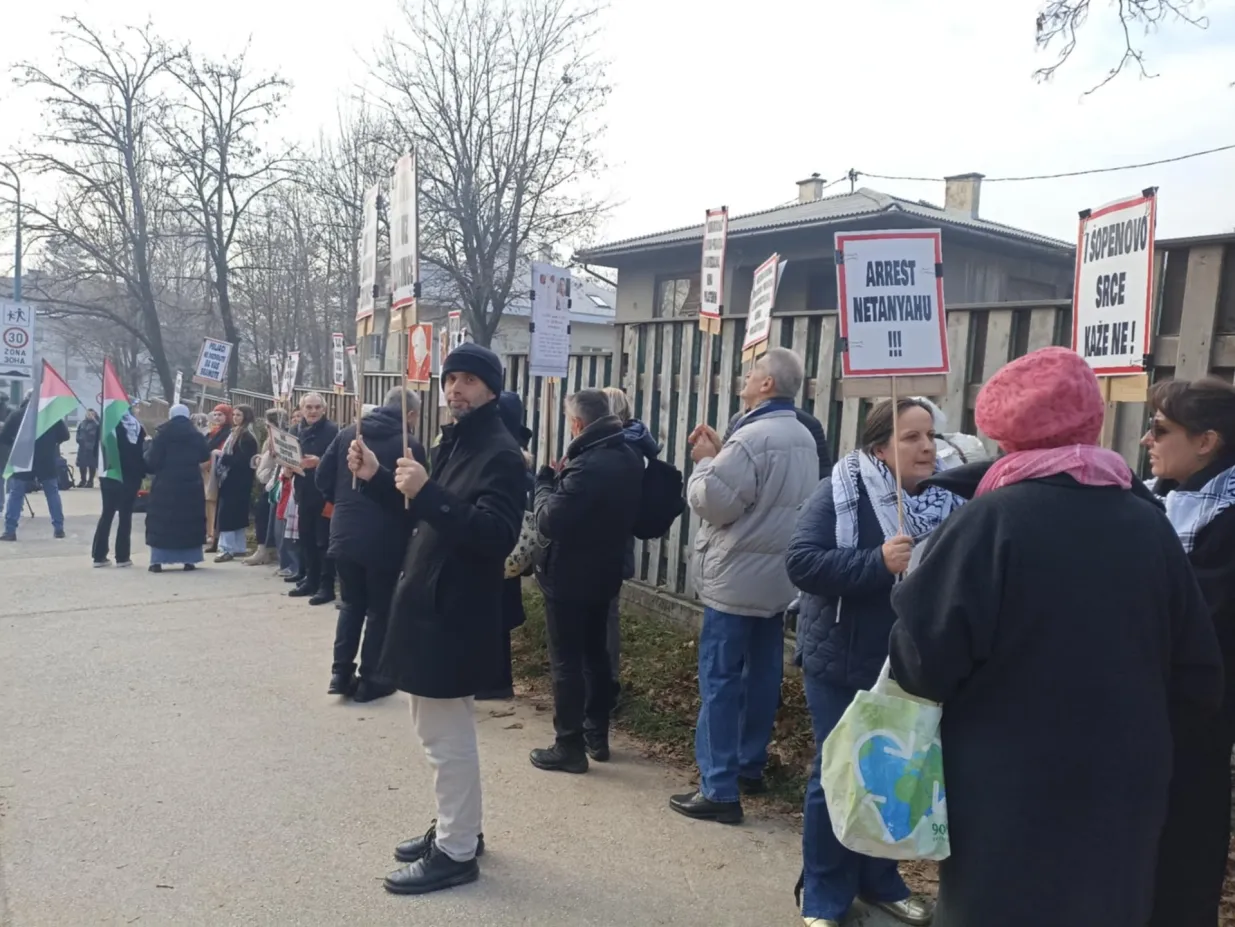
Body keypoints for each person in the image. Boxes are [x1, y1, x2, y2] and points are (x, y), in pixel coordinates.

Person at [887, 347, 1223, 927]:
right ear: (1091, 424)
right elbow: (1198, 673)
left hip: (1008, 790)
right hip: (1123, 792)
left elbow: (922, 663)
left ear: (1008, 434)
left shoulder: (988, 522)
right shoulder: (1150, 524)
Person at [348, 342, 526, 896]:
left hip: (453, 614)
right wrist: (379, 477)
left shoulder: (499, 452)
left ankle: (455, 851)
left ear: (492, 389)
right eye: (451, 379)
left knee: (446, 741)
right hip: (431, 608)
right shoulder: (458, 442)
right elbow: (420, 515)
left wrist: (428, 491)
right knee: (440, 734)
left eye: (470, 380)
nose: (456, 389)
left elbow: (495, 536)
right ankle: (459, 831)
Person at [786, 396, 961, 927]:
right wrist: (876, 562)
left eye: (930, 435)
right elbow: (802, 561)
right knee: (837, 774)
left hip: (912, 663)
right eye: (911, 438)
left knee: (893, 777)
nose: (927, 447)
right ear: (880, 448)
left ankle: (881, 880)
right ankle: (823, 895)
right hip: (843, 657)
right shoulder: (842, 489)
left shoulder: (947, 497)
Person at [668, 347, 818, 824]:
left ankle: (718, 787)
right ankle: (749, 765)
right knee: (762, 676)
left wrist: (706, 462)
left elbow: (713, 501)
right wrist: (725, 448)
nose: (745, 378)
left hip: (736, 578)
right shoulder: (803, 434)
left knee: (720, 680)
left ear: (767, 384)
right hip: (777, 577)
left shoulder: (754, 438)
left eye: (752, 373)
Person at [1142, 377, 1235, 927]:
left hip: (1199, 708)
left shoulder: (1226, 516)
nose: (1148, 441)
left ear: (1207, 442)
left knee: (1184, 840)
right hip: (1155, 703)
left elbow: (1196, 612)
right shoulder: (1164, 495)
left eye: (1161, 430)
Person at [529, 388, 643, 772]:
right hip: (606, 570)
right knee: (596, 656)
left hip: (569, 576)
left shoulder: (589, 464)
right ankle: (598, 734)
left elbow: (550, 519)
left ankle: (569, 745)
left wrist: (544, 484)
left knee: (567, 660)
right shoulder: (627, 455)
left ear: (577, 423)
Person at [318, 388, 425, 702]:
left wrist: (344, 503)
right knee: (379, 610)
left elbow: (323, 478)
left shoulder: (349, 435)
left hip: (345, 533)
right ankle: (372, 679)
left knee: (351, 604)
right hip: (386, 539)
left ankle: (340, 673)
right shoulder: (410, 446)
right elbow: (418, 495)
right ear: (410, 414)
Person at [600, 385, 660, 704]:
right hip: (618, 541)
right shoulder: (635, 442)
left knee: (605, 617)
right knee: (606, 614)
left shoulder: (619, 448)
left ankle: (606, 686)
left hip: (606, 543)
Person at [476, 390, 535, 702]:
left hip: (501, 543)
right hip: (505, 544)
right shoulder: (510, 445)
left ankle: (495, 682)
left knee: (493, 614)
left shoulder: (506, 451)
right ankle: (493, 679)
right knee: (493, 614)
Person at [144, 404, 210, 573]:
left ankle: (157, 561)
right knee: (189, 521)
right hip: (190, 484)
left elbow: (152, 461)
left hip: (165, 484)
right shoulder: (196, 435)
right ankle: (189, 560)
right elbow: (204, 455)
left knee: (162, 521)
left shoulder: (162, 435)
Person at [1, 397, 71, 542]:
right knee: (52, 493)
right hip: (46, 460)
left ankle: (10, 530)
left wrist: (15, 443)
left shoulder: (16, 415)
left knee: (16, 494)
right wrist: (52, 443)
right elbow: (65, 435)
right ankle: (59, 529)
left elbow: (5, 437)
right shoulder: (50, 416)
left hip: (23, 458)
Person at [290, 393, 338, 605]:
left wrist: (320, 462)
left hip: (325, 494)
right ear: (301, 409)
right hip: (302, 490)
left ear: (324, 409)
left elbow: (338, 462)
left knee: (324, 541)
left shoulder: (333, 431)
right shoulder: (295, 430)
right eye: (309, 407)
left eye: (317, 407)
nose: (313, 411)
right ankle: (311, 579)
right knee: (306, 539)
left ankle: (326, 587)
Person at [91, 408, 146, 567]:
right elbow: (140, 452)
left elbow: (97, 450)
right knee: (125, 515)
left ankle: (99, 555)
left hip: (110, 474)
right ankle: (122, 556)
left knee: (107, 513)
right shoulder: (136, 427)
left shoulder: (107, 425)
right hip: (131, 475)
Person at [213, 405, 258, 563]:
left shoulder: (246, 436)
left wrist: (223, 457)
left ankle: (226, 548)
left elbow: (242, 460)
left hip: (237, 479)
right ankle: (239, 547)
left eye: (239, 415)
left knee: (228, 515)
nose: (235, 418)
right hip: (235, 479)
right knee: (236, 514)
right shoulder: (237, 433)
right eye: (234, 415)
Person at [244, 409, 285, 567]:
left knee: (266, 513)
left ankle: (266, 550)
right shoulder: (269, 439)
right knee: (263, 514)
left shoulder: (280, 438)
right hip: (267, 482)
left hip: (275, 482)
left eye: (268, 424)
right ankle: (265, 549)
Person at [203, 404, 232, 553]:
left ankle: (213, 534)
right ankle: (209, 532)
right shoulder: (213, 432)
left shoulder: (228, 432)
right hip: (207, 470)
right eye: (215, 414)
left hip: (216, 470)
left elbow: (223, 451)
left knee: (213, 502)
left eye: (220, 414)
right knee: (208, 502)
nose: (217, 417)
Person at [76, 409, 102, 488]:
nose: (89, 415)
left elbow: (99, 432)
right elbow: (78, 432)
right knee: (82, 465)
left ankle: (90, 481)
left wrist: (95, 421)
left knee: (92, 465)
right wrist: (79, 439)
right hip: (82, 447)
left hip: (92, 447)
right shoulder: (83, 423)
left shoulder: (97, 423)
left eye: (91, 414)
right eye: (88, 414)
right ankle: (83, 480)